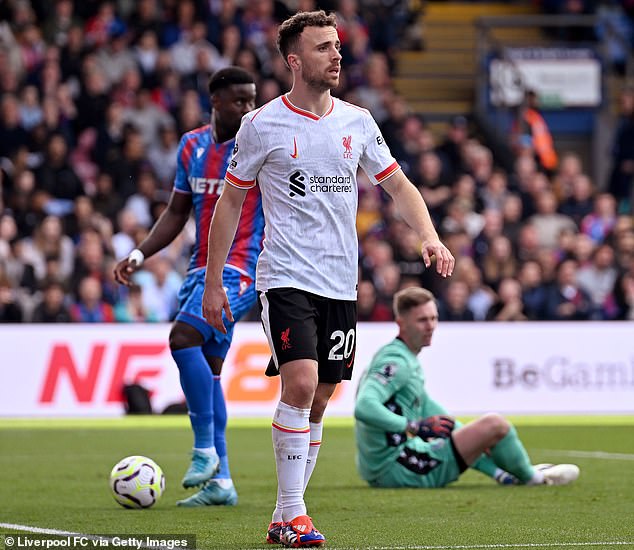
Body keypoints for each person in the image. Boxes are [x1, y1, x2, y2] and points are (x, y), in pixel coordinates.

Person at [201, 11, 454, 548]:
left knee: (319, 398)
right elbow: (230, 202)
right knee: (297, 385)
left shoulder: (358, 122)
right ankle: (295, 513)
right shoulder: (263, 124)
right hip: (286, 276)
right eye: (323, 48)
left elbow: (400, 187)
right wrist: (214, 281)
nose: (336, 55)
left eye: (337, 46)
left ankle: (281, 515)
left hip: (340, 283)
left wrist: (429, 235)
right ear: (294, 61)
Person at [113, 67, 262, 507]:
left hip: (242, 270)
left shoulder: (259, 145)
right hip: (200, 269)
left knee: (183, 337)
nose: (248, 109)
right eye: (239, 101)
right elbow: (177, 213)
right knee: (211, 372)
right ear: (215, 101)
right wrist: (140, 254)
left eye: (252, 99)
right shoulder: (192, 145)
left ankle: (203, 450)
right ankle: (223, 483)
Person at [354, 286, 580, 490]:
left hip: (388, 467)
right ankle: (534, 478)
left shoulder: (403, 358)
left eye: (434, 318)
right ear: (401, 323)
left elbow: (439, 417)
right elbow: (364, 406)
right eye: (422, 320)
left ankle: (505, 475)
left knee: (468, 430)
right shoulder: (398, 362)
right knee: (495, 425)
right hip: (402, 468)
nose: (431, 326)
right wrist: (414, 427)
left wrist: (479, 443)